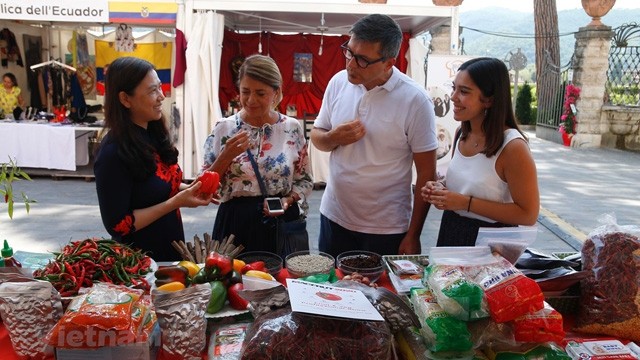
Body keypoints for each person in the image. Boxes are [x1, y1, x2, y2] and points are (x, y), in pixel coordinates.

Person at [310, 14, 438, 257]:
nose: (351, 64)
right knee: (332, 290)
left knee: (379, 293)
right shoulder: (338, 82)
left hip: (386, 227)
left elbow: (426, 173)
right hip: (334, 215)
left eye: (363, 60)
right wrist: (333, 137)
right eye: (349, 51)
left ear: (389, 63)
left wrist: (414, 234)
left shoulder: (415, 100)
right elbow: (318, 135)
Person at [94, 57, 212, 261]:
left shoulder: (153, 134)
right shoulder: (112, 153)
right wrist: (176, 202)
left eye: (160, 88)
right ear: (125, 99)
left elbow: (156, 188)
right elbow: (119, 225)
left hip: (171, 252)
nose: (161, 97)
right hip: (141, 263)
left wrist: (192, 189)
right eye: (152, 91)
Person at [421, 57, 539, 246]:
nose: (453, 97)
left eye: (464, 91)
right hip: (452, 230)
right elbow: (468, 184)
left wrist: (464, 203)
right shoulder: (462, 133)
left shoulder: (513, 147)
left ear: (489, 99)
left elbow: (528, 214)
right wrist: (440, 189)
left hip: (491, 243)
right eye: (454, 88)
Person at [202, 54, 313, 254]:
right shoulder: (224, 128)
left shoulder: (291, 128)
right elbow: (204, 188)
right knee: (233, 281)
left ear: (276, 92)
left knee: (280, 280)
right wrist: (226, 156)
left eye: (260, 93)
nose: (251, 100)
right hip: (235, 224)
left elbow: (304, 180)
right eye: (245, 92)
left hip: (280, 222)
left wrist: (287, 201)